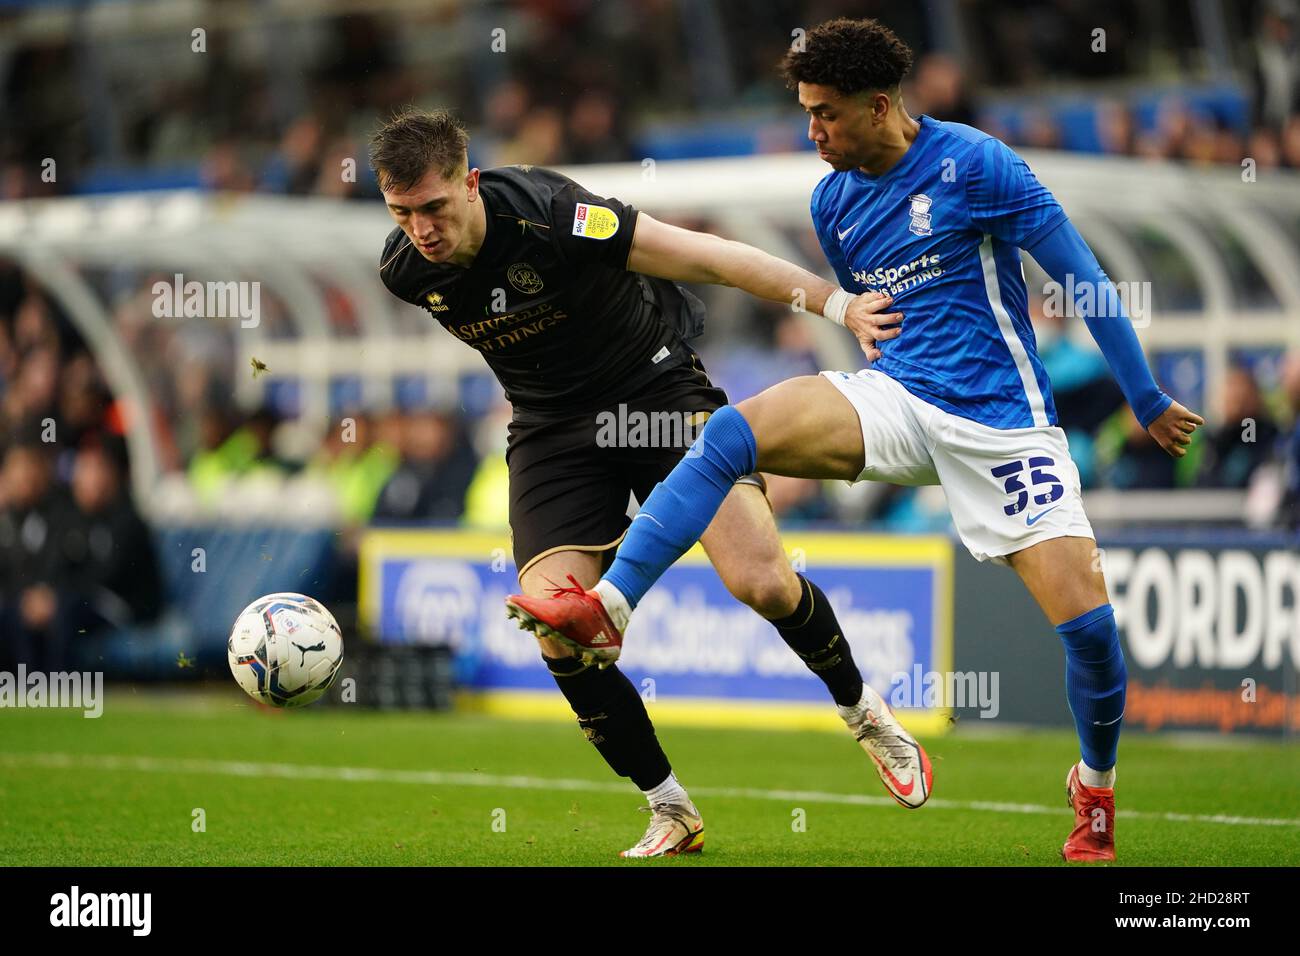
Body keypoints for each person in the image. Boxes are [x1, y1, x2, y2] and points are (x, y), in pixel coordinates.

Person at [506, 17, 1205, 863]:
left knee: (1090, 630)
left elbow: (1083, 277)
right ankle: (609, 605)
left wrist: (1145, 395)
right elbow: (869, 310)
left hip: (1002, 424)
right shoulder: (831, 202)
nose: (813, 132)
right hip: (898, 399)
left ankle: (1094, 785)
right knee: (733, 430)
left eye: (826, 114)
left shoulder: (975, 165)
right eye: (805, 112)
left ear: (880, 106)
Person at [370, 109, 929, 858]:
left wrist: (836, 304)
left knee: (761, 580)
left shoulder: (550, 213)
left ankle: (866, 715)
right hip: (549, 430)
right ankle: (669, 808)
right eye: (402, 213)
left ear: (470, 183)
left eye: (434, 208)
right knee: (557, 632)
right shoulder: (405, 272)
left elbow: (708, 257)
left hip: (656, 395)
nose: (422, 231)